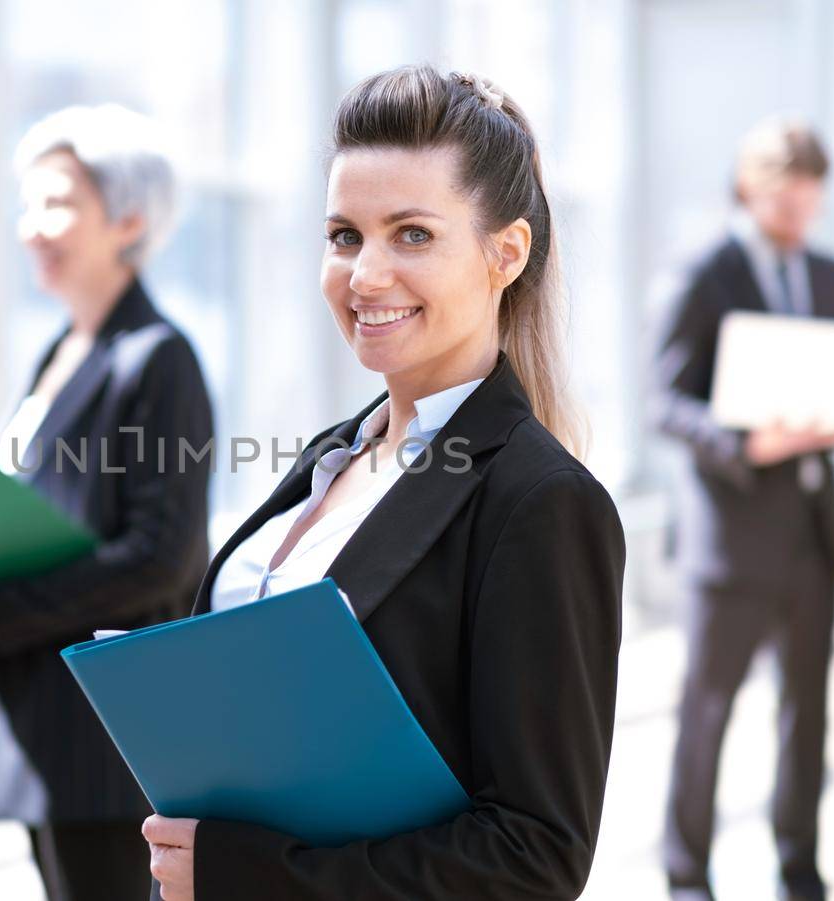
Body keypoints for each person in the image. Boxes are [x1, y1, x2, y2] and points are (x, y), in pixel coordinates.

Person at [138, 65, 625, 901]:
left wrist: (249, 874)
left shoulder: (540, 502)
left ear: (505, 253)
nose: (364, 274)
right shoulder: (330, 457)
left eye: (412, 235)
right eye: (343, 235)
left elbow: (536, 857)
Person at [0, 104, 214, 901]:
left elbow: (163, 554)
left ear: (129, 219)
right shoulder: (59, 350)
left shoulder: (159, 359)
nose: (31, 227)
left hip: (108, 740)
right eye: (28, 204)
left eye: (57, 204)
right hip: (43, 723)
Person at [655, 117, 834, 901]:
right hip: (730, 539)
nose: (801, 211)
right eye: (788, 195)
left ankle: (798, 871)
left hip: (813, 531)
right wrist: (747, 442)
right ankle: (687, 878)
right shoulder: (704, 271)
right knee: (706, 717)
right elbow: (664, 399)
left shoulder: (829, 275)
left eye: (812, 197)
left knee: (808, 719)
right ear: (750, 186)